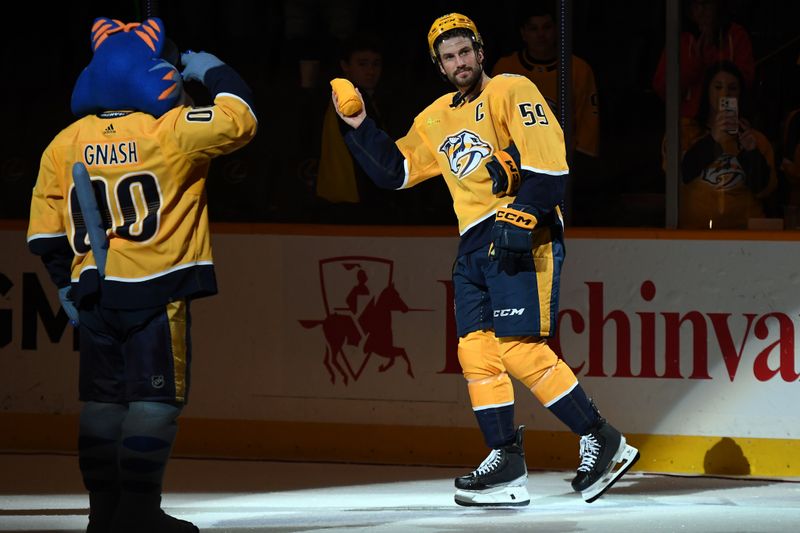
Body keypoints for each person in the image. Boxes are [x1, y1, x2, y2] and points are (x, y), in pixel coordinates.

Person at [331, 13, 639, 506]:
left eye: (465, 52)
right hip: (471, 242)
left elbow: (549, 160)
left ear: (479, 50)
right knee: (476, 353)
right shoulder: (434, 118)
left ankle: (602, 439)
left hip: (519, 226)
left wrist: (524, 217)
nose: (459, 62)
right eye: (448, 57)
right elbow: (395, 171)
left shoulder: (511, 89)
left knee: (518, 349)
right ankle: (507, 462)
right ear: (439, 64)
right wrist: (359, 125)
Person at [26, 17, 257, 532]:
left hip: (94, 294)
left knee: (103, 404)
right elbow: (241, 117)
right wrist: (209, 68)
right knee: (154, 403)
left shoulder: (65, 142)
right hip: (158, 288)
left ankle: (103, 512)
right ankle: (139, 510)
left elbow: (44, 233)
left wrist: (64, 282)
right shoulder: (171, 129)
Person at [674, 61, 776, 229]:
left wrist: (750, 152)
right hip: (694, 234)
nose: (725, 93)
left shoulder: (754, 138)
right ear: (707, 91)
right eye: (718, 87)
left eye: (733, 88)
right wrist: (713, 139)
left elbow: (765, 190)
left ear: (740, 94)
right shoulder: (685, 132)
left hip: (745, 235)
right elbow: (681, 175)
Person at [492, 3, 599, 160]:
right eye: (533, 29)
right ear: (523, 33)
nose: (541, 35)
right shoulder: (505, 68)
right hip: (516, 159)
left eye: (547, 27)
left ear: (556, 30)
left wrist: (579, 159)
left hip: (562, 159)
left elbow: (588, 119)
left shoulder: (578, 69)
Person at [316, 35, 398, 222]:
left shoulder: (364, 97)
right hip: (354, 200)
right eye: (363, 64)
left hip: (350, 197)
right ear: (345, 66)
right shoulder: (350, 100)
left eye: (376, 64)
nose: (371, 71)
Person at [652, 0, 754, 119]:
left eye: (705, 4)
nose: (700, 11)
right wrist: (695, 63)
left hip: (727, 118)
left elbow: (745, 82)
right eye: (695, 5)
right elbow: (663, 88)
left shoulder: (736, 36)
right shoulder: (681, 40)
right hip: (689, 121)